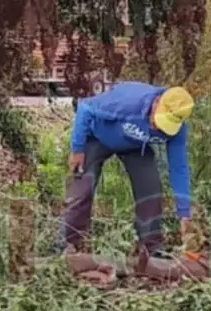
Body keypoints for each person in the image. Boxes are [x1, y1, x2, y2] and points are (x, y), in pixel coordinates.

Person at [59, 82, 195, 257]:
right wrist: (77, 149)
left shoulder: (177, 131)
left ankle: (150, 250)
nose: (157, 126)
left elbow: (179, 168)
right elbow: (85, 107)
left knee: (151, 189)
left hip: (136, 147)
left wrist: (184, 213)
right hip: (97, 137)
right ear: (157, 102)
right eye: (159, 119)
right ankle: (69, 244)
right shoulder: (128, 101)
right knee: (82, 189)